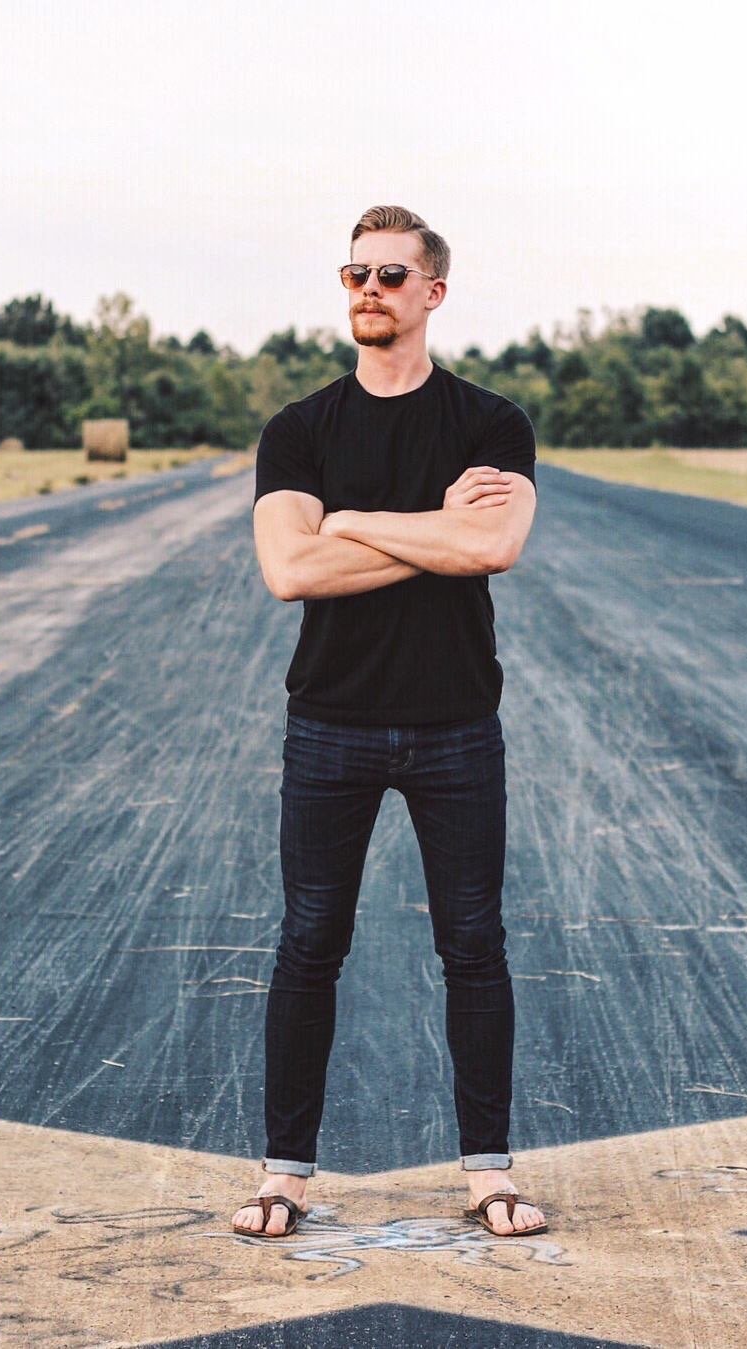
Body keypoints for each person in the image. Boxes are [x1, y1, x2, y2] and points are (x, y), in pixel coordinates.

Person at [235, 205, 545, 1241]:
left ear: (433, 294)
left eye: (390, 275)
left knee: (473, 947)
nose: (368, 289)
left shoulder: (490, 423)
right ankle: (283, 1172)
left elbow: (495, 550)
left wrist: (353, 520)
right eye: (354, 273)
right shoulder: (300, 428)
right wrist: (436, 531)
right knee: (309, 942)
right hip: (331, 724)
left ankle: (489, 1173)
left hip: (457, 724)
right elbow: (290, 569)